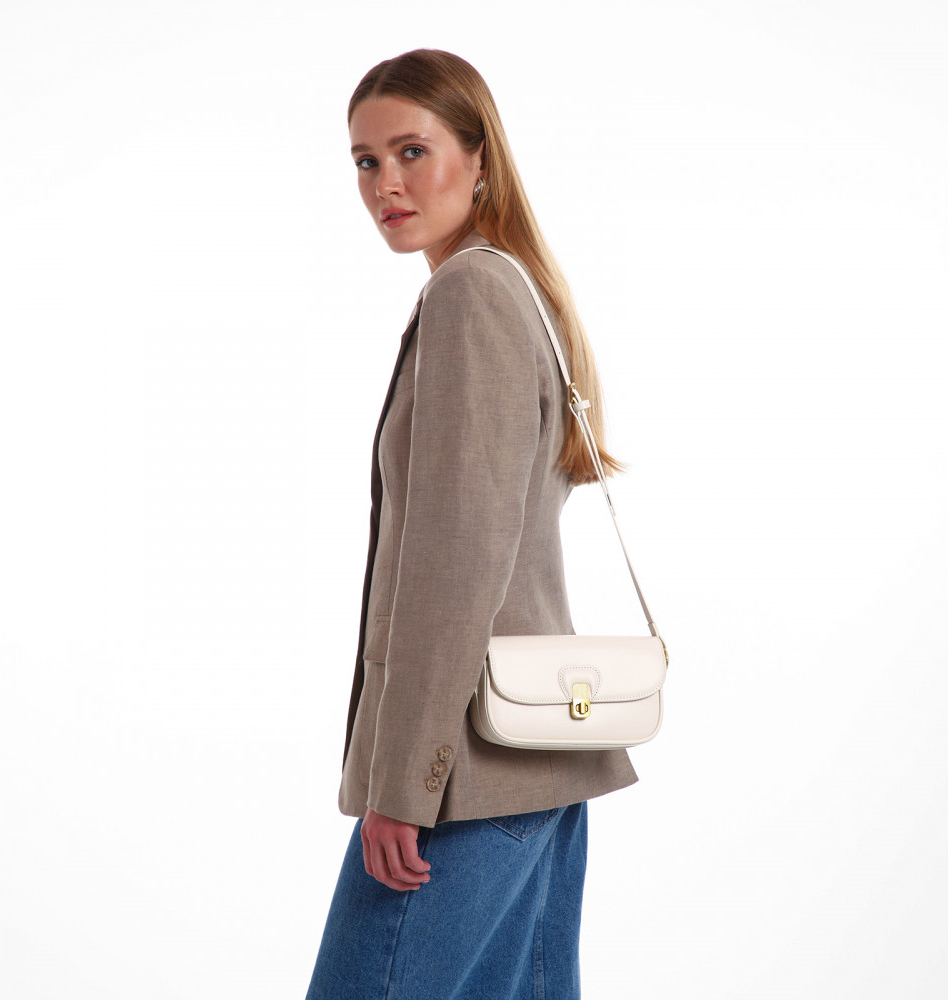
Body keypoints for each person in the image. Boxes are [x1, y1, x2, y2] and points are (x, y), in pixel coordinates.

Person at [304, 49, 639, 999]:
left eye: (412, 151)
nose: (386, 183)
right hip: (533, 766)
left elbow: (456, 565)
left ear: (480, 156)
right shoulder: (517, 289)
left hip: (465, 778)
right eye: (366, 161)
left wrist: (403, 785)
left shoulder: (471, 295)